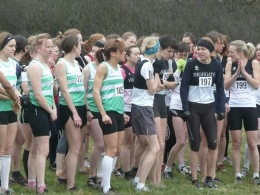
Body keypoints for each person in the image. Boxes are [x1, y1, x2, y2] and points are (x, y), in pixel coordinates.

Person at [180, 37, 226, 189]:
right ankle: (194, 179)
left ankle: (209, 178)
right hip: (193, 108)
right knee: (195, 144)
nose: (199, 51)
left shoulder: (216, 66)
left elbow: (220, 88)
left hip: (208, 108)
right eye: (197, 49)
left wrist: (220, 109)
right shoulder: (191, 64)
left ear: (210, 51)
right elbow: (184, 88)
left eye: (202, 49)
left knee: (213, 143)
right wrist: (185, 108)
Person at [92, 38, 129, 194]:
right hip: (108, 113)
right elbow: (95, 91)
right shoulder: (103, 67)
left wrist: (123, 112)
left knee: (117, 150)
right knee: (111, 149)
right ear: (114, 53)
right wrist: (103, 113)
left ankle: (105, 181)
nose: (125, 54)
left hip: (119, 112)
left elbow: (119, 93)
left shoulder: (119, 68)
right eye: (122, 51)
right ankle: (105, 186)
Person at [224, 40, 260, 184]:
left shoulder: (254, 64)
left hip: (250, 107)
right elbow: (226, 86)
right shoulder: (229, 64)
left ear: (241, 53)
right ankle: (237, 173)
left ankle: (256, 174)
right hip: (235, 107)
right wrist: (236, 73)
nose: (230, 54)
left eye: (232, 52)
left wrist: (244, 72)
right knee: (237, 142)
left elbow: (256, 85)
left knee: (252, 143)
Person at [55, 34, 86, 192]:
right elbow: (65, 91)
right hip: (69, 108)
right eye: (80, 43)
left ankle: (63, 176)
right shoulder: (62, 63)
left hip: (80, 106)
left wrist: (85, 109)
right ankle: (70, 185)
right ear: (74, 47)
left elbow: (82, 88)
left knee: (77, 146)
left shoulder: (76, 62)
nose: (82, 45)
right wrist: (74, 113)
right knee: (74, 148)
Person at [27, 33, 57, 194]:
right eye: (48, 46)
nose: (51, 49)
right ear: (38, 48)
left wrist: (54, 108)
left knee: (35, 148)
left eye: (52, 46)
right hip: (38, 110)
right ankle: (41, 185)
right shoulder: (34, 66)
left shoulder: (45, 65)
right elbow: (38, 94)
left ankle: (31, 182)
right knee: (43, 150)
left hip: (46, 108)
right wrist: (50, 110)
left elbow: (49, 91)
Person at [131, 37, 161, 192]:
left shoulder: (141, 62)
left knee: (147, 146)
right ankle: (141, 184)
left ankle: (137, 179)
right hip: (143, 108)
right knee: (155, 147)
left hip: (138, 107)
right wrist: (157, 75)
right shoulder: (147, 65)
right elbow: (153, 89)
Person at [150, 35, 178, 187]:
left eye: (173, 52)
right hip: (152, 101)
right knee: (158, 143)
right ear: (160, 48)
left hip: (162, 101)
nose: (171, 54)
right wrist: (166, 84)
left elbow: (172, 83)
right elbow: (156, 85)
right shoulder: (153, 62)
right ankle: (152, 179)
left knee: (162, 143)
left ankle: (158, 179)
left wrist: (165, 84)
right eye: (168, 51)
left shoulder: (170, 62)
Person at [163, 42, 190, 179]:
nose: (183, 57)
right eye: (181, 54)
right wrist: (178, 71)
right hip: (175, 105)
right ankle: (167, 167)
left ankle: (181, 164)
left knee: (184, 138)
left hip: (188, 106)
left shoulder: (191, 64)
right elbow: (169, 85)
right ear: (176, 54)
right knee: (180, 140)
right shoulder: (171, 65)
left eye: (186, 55)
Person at [83, 41, 105, 189]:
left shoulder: (107, 68)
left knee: (106, 145)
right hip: (92, 110)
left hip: (105, 110)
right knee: (100, 144)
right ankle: (91, 175)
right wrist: (87, 110)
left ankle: (101, 175)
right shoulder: (88, 69)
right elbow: (83, 92)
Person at [0, 31, 20, 195]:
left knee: (8, 148)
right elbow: (4, 87)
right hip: (1, 109)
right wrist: (13, 98)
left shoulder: (14, 64)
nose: (15, 48)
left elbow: (14, 86)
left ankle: (5, 186)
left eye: (15, 46)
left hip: (11, 109)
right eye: (11, 46)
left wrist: (17, 96)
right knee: (0, 149)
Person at [119, 45, 140, 180]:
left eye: (139, 53)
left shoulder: (139, 69)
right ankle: (126, 171)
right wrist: (121, 110)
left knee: (135, 140)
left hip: (137, 108)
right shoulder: (123, 70)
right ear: (127, 56)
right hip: (126, 109)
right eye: (135, 54)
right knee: (127, 141)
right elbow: (119, 91)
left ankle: (133, 168)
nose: (138, 56)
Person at [10, 35, 28, 186]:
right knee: (9, 142)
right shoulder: (13, 65)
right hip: (8, 107)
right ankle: (13, 172)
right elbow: (14, 87)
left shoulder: (17, 65)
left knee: (20, 138)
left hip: (14, 106)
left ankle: (15, 171)